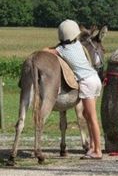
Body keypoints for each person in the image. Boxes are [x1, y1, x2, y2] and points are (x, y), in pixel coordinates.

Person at [43, 19, 102, 159]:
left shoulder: (61, 49)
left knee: (92, 117)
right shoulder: (78, 45)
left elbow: (45, 51)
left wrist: (49, 48)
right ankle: (93, 147)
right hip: (94, 78)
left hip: (87, 82)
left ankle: (97, 151)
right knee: (88, 116)